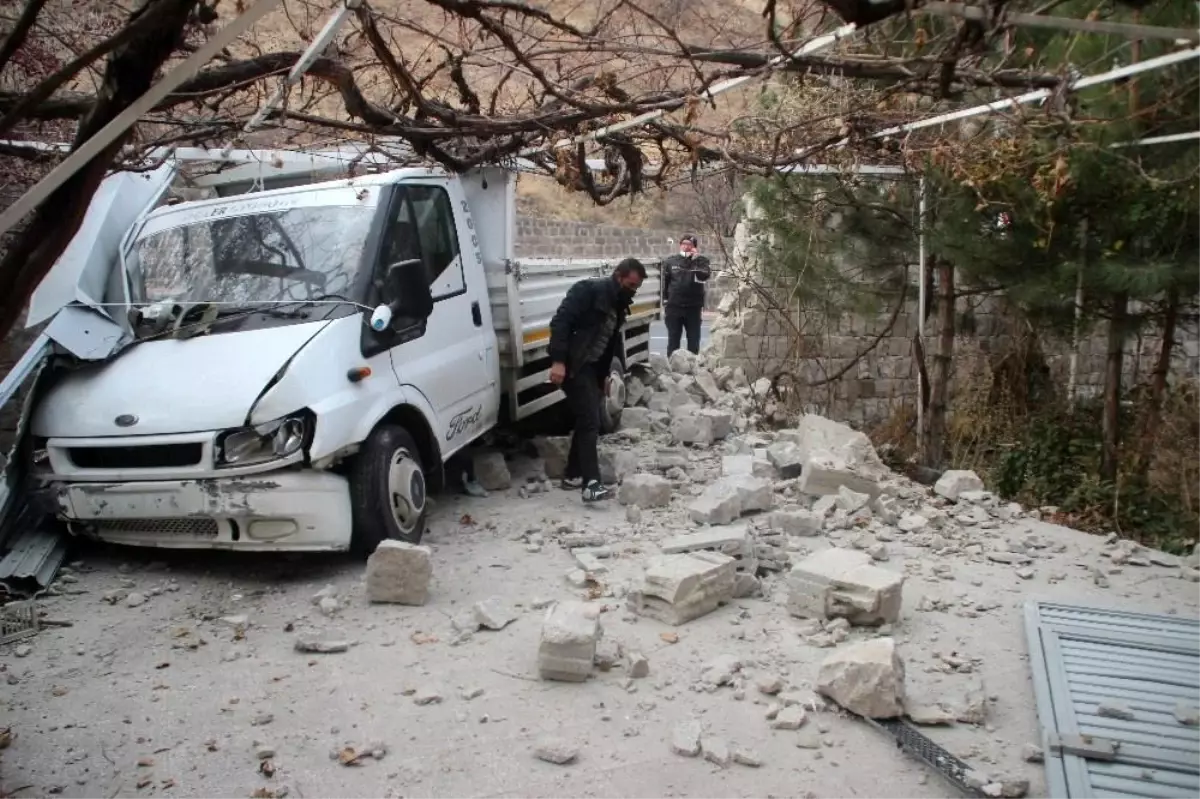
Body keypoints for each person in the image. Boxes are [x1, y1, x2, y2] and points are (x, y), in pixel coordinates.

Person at [547, 258, 646, 502]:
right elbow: (560, 323)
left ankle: (572, 474)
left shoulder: (619, 303)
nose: (633, 290)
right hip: (574, 365)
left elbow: (609, 343)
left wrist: (604, 376)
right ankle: (591, 484)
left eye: (636, 287)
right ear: (618, 276)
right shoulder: (588, 291)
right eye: (631, 284)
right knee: (591, 420)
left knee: (586, 418)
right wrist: (558, 361)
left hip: (592, 368)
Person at [662, 234, 711, 355]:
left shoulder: (702, 261)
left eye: (690, 245)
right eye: (684, 244)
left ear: (694, 247)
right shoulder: (670, 261)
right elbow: (665, 283)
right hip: (674, 307)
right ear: (680, 245)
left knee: (693, 342)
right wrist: (665, 300)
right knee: (673, 341)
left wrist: (695, 260)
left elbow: (703, 276)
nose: (686, 247)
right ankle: (672, 368)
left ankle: (692, 368)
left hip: (693, 307)